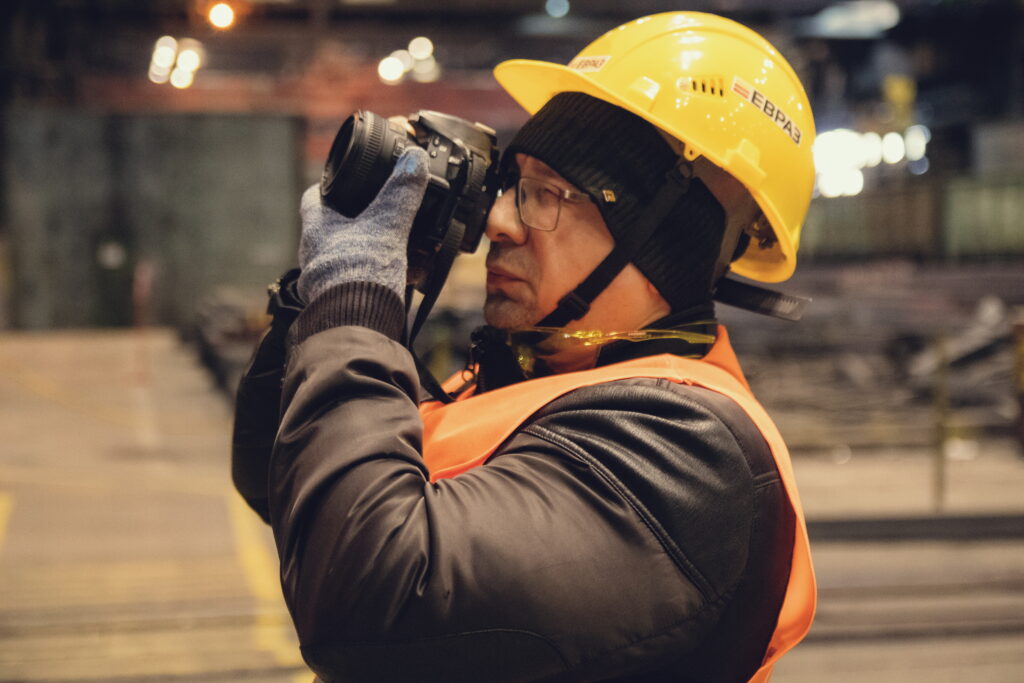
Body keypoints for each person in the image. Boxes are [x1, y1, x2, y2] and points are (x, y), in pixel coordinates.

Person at [233, 11, 817, 682]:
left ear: (665, 242)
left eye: (545, 195)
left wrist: (356, 296)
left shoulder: (686, 452)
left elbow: (366, 595)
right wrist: (316, 303)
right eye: (511, 186)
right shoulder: (532, 377)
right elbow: (277, 476)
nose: (501, 222)